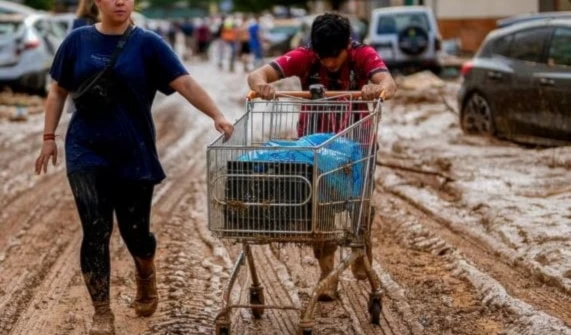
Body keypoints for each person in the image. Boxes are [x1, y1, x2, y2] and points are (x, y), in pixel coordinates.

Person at [34, 0, 234, 334]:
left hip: (133, 151)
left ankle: (145, 270)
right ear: (97, 1)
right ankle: (102, 313)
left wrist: (217, 114)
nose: (120, 2)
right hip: (86, 149)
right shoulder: (77, 41)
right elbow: (57, 90)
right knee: (96, 229)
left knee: (135, 233)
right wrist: (48, 136)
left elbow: (184, 82)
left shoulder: (149, 44)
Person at [247, 12, 396, 301]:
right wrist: (261, 85)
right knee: (321, 210)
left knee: (358, 205)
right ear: (314, 48)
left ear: (347, 47)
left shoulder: (363, 55)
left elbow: (388, 83)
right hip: (315, 147)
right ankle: (327, 275)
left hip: (356, 145)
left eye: (334, 57)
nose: (328, 62)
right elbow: (257, 74)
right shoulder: (304, 56)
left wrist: (376, 88)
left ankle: (360, 244)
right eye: (323, 56)